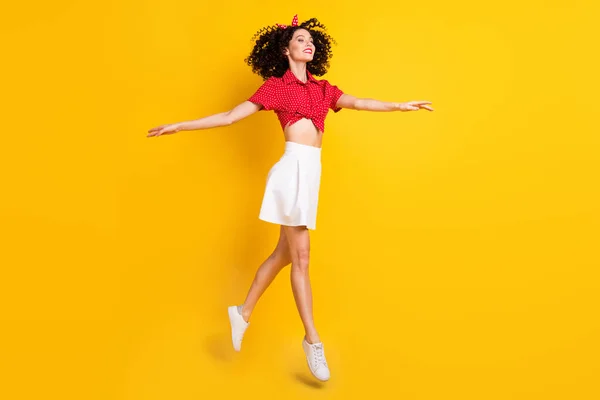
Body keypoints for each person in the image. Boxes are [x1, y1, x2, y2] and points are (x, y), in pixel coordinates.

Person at [147, 14, 433, 382]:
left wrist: (398, 106)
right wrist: (180, 125)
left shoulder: (324, 89)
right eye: (300, 39)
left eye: (311, 40)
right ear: (285, 50)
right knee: (302, 256)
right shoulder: (275, 88)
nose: (308, 44)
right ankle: (313, 340)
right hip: (291, 173)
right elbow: (232, 116)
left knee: (284, 254)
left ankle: (243, 312)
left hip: (311, 173)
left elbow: (359, 102)